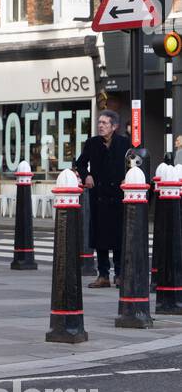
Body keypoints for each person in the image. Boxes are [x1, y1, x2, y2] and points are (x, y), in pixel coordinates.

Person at [75, 110, 128, 288]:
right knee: (100, 237)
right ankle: (103, 275)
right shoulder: (92, 143)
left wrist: (128, 177)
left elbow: (134, 164)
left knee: (118, 237)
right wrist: (86, 175)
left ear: (114, 126)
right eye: (99, 122)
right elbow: (81, 163)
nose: (100, 125)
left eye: (105, 123)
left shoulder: (124, 144)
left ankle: (120, 274)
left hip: (118, 197)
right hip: (99, 196)